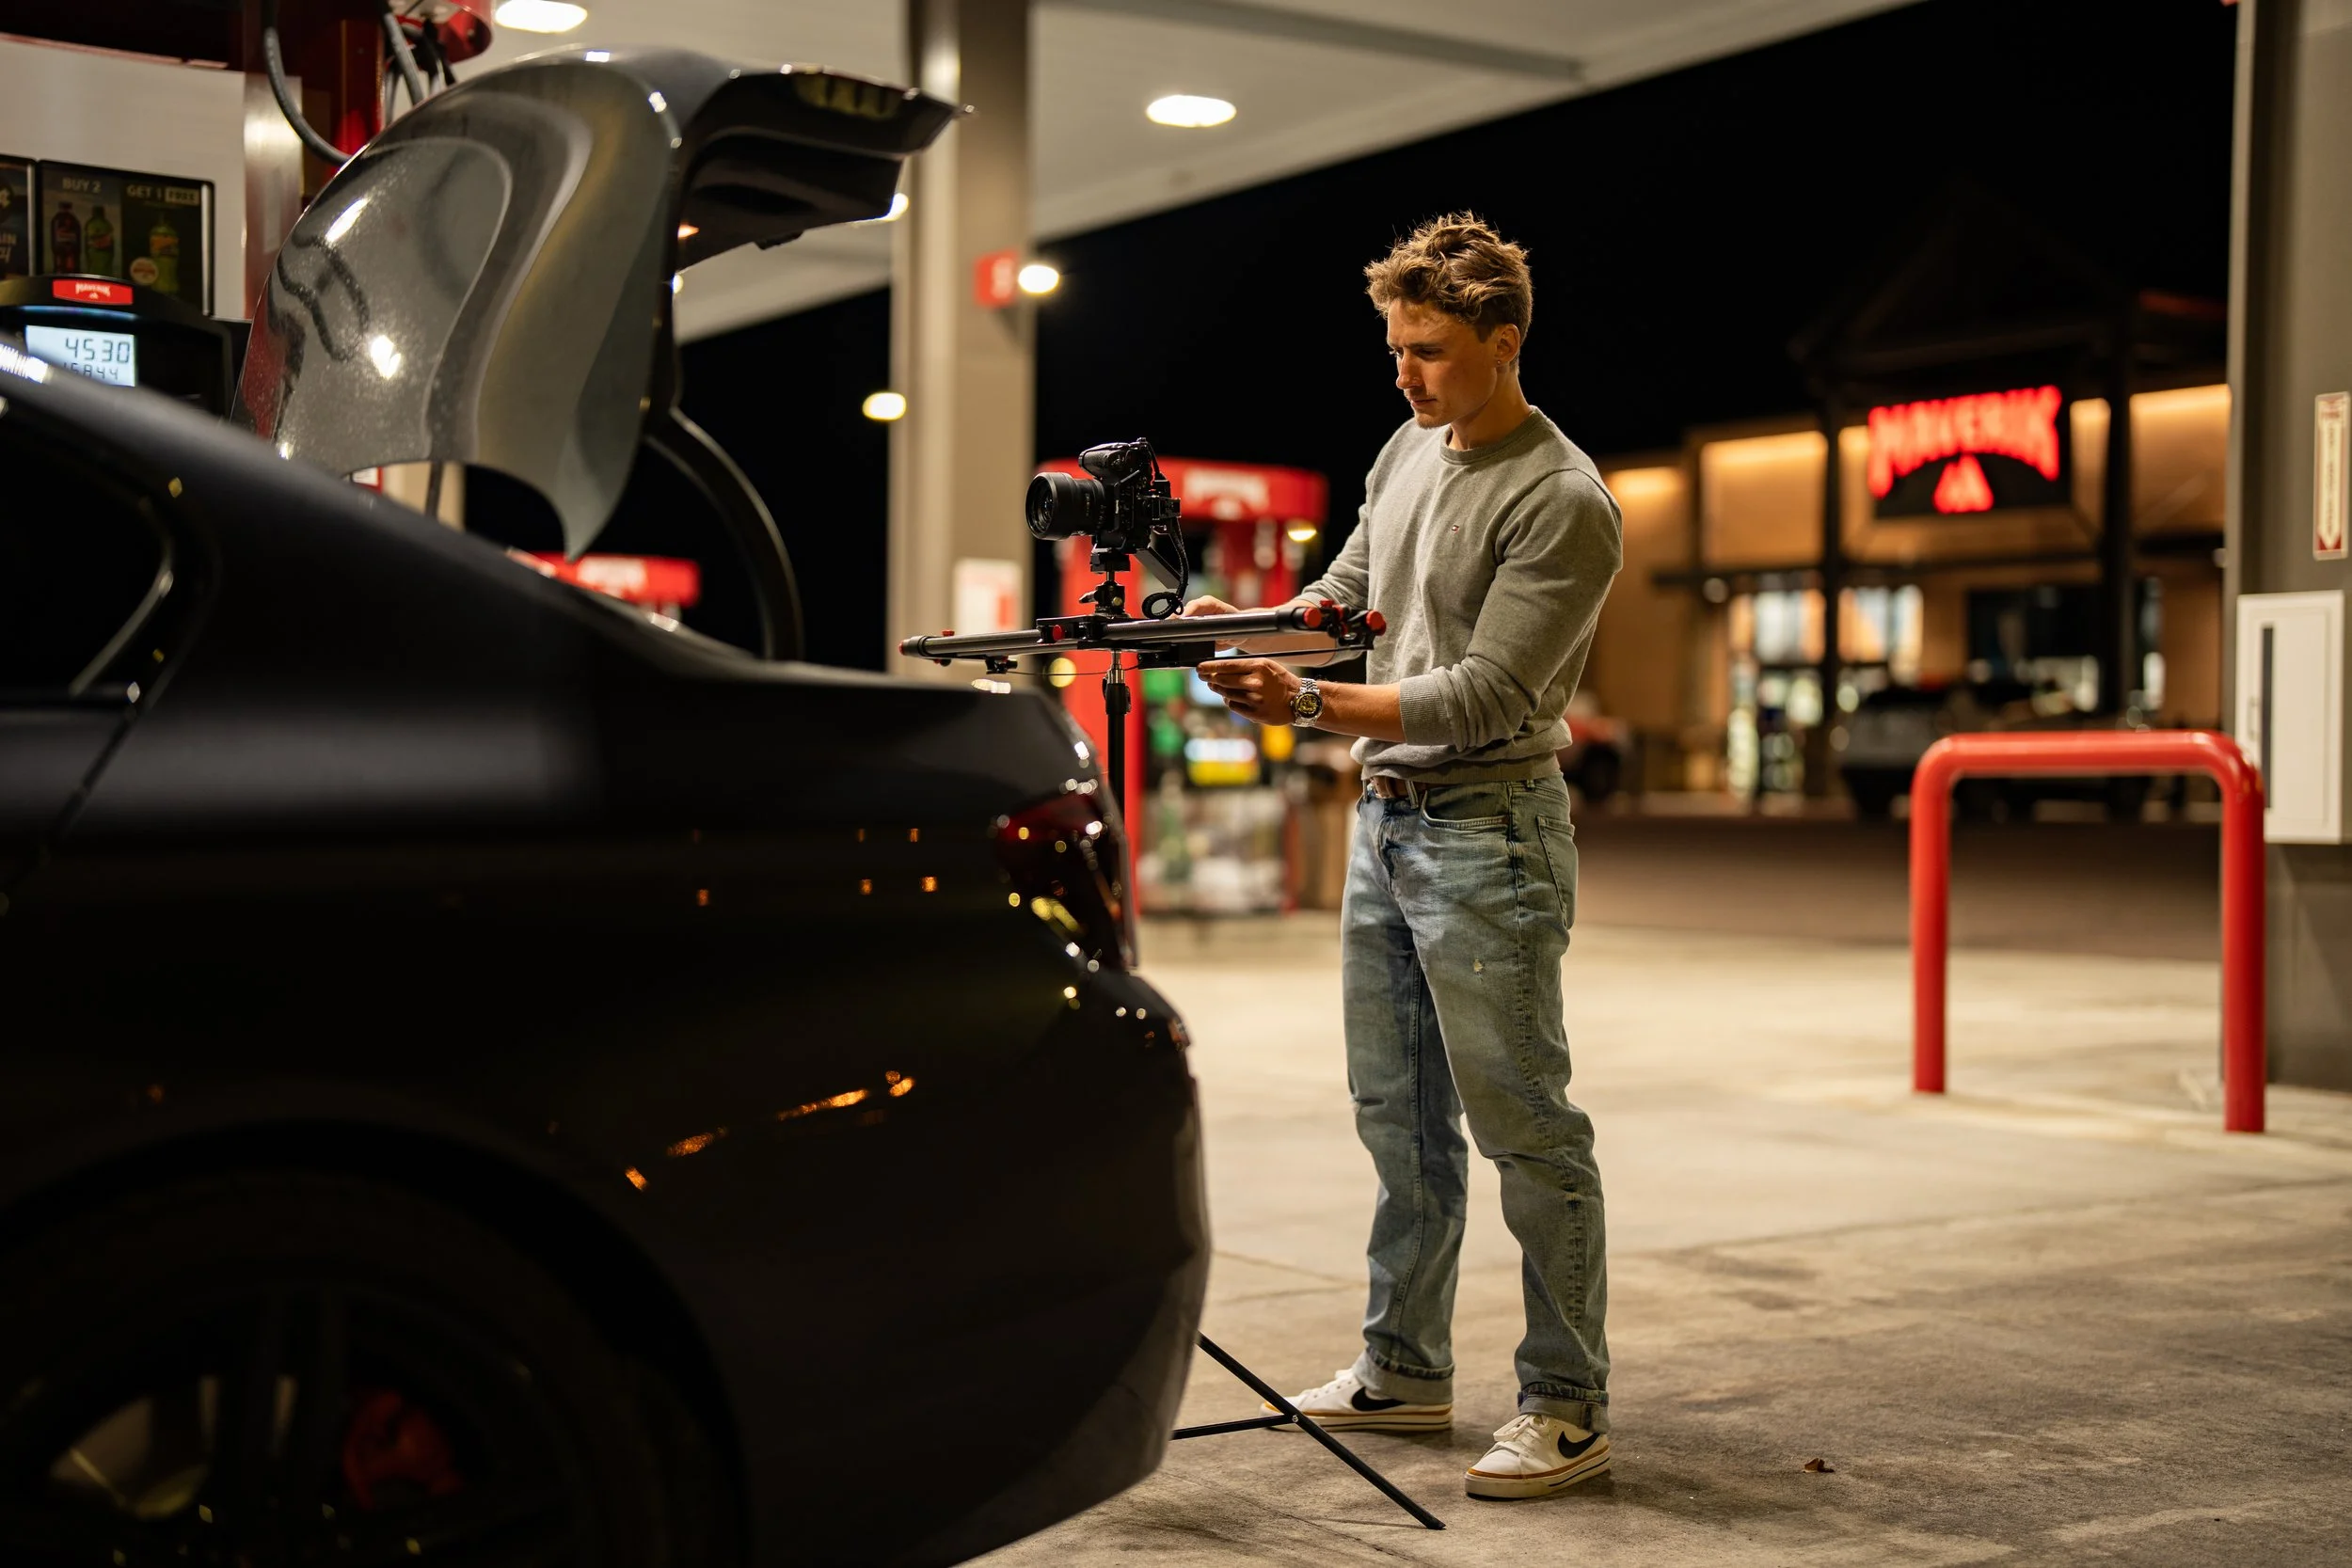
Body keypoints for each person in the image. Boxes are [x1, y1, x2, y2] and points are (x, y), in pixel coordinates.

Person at [1185, 213, 1623, 1501]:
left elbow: (1483, 692)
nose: (1405, 375)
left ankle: (1567, 1399)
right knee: (1399, 1121)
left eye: (1428, 351)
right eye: (1393, 348)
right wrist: (1244, 626)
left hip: (1491, 832)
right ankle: (1404, 1364)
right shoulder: (1408, 447)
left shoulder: (1564, 499)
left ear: (1504, 342)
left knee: (1527, 1130)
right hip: (1390, 827)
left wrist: (1308, 708)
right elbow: (1347, 602)